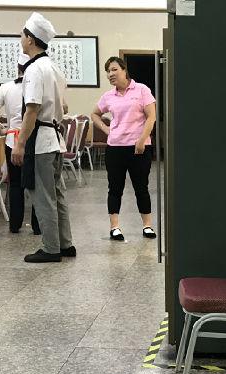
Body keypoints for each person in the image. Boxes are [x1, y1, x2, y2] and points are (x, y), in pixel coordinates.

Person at [12, 12, 75, 263]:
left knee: (43, 195)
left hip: (41, 141)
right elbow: (65, 107)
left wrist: (19, 144)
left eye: (22, 34)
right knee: (57, 194)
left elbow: (32, 110)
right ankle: (65, 244)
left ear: (30, 39)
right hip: (55, 139)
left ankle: (51, 248)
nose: (20, 38)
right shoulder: (54, 68)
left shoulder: (35, 69)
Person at [91, 57, 157, 242]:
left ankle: (147, 225)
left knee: (141, 187)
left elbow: (151, 116)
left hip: (139, 148)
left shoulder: (141, 89)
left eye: (114, 69)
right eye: (108, 71)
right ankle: (115, 227)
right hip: (115, 148)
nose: (110, 74)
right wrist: (106, 129)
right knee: (115, 188)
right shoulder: (108, 96)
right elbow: (94, 114)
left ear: (124, 70)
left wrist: (142, 140)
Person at [0, 54, 40, 236]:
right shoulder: (38, 86)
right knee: (35, 184)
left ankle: (15, 225)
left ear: (18, 68)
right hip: (33, 140)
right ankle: (37, 226)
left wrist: (1, 130)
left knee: (15, 184)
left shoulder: (6, 87)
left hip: (12, 140)